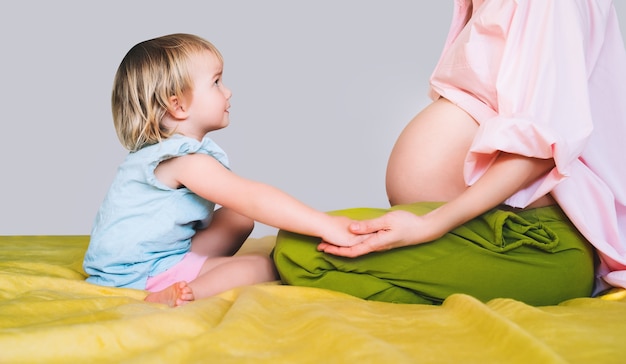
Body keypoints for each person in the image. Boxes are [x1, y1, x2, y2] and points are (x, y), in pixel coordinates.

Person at [273, 0, 626, 305]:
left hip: (536, 242)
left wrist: (429, 225)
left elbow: (543, 146)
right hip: (485, 230)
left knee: (302, 253)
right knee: (309, 240)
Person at [83, 33, 367, 307]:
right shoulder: (185, 162)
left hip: (137, 259)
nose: (228, 91)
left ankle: (188, 270)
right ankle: (185, 291)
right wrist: (324, 224)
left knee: (239, 218)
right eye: (216, 82)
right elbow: (252, 197)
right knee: (264, 265)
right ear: (177, 104)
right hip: (139, 273)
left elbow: (243, 207)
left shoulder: (160, 153)